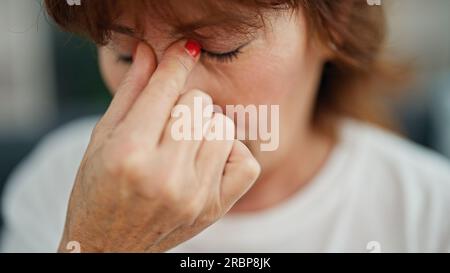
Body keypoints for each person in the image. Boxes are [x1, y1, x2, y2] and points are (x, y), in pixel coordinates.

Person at [1, 0, 450, 252]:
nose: (175, 98)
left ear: (335, 23)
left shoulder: (429, 214)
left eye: (219, 51)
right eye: (124, 54)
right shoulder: (58, 186)